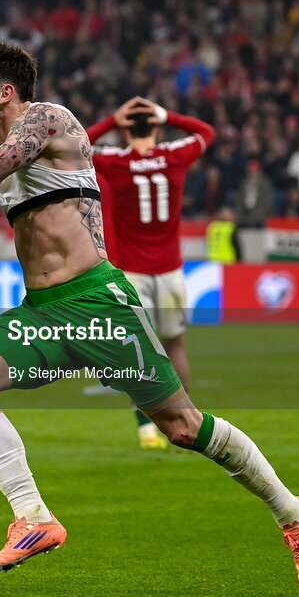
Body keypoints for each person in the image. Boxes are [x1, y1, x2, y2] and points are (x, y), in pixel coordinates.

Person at [0, 42, 299, 590]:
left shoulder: (49, 120)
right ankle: (35, 518)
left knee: (183, 427)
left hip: (96, 300)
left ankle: (294, 512)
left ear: (6, 92)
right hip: (41, 310)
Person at [84, 96, 215, 448]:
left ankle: (145, 427)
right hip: (170, 269)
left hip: (133, 273)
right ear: (156, 126)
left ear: (126, 129)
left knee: (136, 348)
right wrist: (168, 114)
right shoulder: (175, 156)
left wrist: (112, 119)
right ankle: (189, 422)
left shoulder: (116, 160)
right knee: (175, 343)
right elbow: (206, 131)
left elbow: (80, 141)